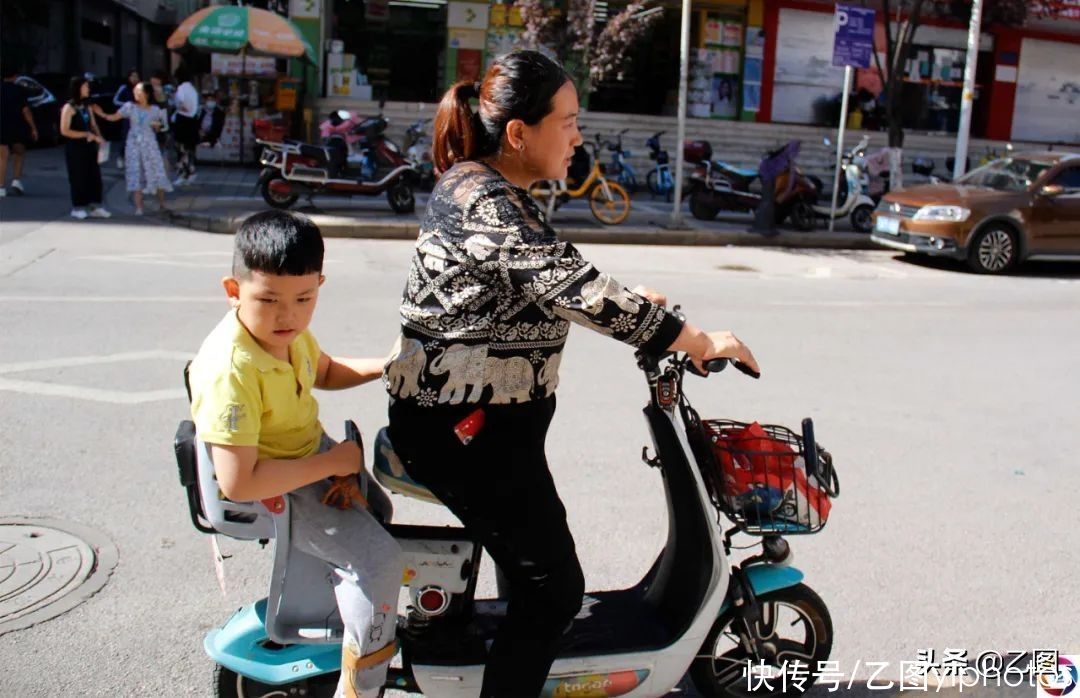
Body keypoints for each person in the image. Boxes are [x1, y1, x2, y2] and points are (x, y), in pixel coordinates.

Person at [383, 50, 760, 698]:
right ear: (519, 133)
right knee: (553, 593)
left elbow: (541, 282)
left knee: (532, 573)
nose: (578, 136)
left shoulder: (481, 186)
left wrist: (633, 304)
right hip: (468, 434)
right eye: (568, 121)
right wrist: (695, 340)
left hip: (480, 428)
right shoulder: (490, 204)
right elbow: (574, 285)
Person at [187, 210, 403, 698]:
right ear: (233, 290)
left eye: (304, 299)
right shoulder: (231, 369)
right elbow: (240, 483)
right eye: (268, 300)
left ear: (319, 286)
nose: (287, 316)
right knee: (383, 562)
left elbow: (324, 370)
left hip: (311, 456)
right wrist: (333, 463)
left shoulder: (286, 335)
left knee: (382, 511)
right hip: (279, 484)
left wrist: (386, 367)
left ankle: (353, 601)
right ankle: (363, 685)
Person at [96, 81, 171, 215]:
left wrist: (157, 126)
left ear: (147, 94)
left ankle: (162, 204)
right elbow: (114, 117)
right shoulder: (129, 107)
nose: (136, 93)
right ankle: (139, 207)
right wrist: (102, 114)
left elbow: (163, 126)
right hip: (133, 144)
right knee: (136, 173)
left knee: (157, 171)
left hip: (149, 143)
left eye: (139, 91)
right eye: (135, 91)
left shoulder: (155, 109)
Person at [59, 76, 110, 219]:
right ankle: (77, 207)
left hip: (89, 146)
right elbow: (64, 130)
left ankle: (96, 205)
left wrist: (100, 137)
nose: (88, 89)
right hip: (75, 147)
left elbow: (93, 124)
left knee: (94, 176)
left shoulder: (87, 106)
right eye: (85, 86)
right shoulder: (69, 107)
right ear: (78, 88)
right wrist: (85, 134)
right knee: (78, 177)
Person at [0, 67, 38, 197]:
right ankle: (16, 180)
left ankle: (1, 187)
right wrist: (33, 127)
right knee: (19, 153)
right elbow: (25, 111)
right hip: (17, 126)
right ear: (15, 76)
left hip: (1, 126)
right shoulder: (19, 90)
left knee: (2, 157)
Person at [172, 65, 199, 185]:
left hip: (183, 120)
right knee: (190, 148)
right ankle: (191, 171)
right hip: (193, 120)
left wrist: (177, 105)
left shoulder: (181, 88)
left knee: (181, 148)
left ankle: (184, 174)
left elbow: (180, 102)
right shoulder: (193, 89)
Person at [112, 68, 140, 169]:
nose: (135, 78)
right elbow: (115, 100)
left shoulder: (140, 88)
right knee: (125, 138)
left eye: (136, 76)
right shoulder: (124, 88)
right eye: (132, 76)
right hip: (128, 117)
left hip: (139, 117)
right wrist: (127, 105)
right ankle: (121, 157)